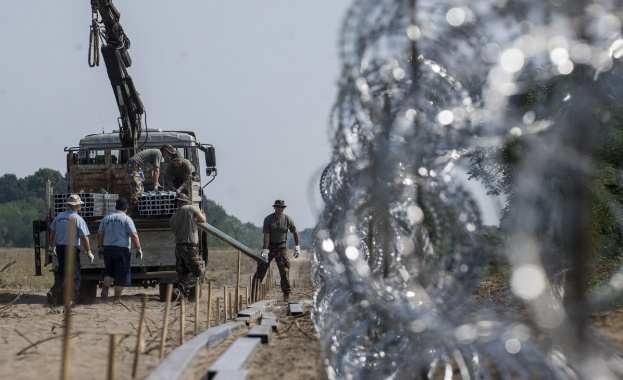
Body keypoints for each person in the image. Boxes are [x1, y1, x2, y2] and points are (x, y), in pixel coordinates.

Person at [47, 194, 94, 307]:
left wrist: (51, 246)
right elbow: (84, 237)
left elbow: (52, 232)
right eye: (79, 205)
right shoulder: (78, 219)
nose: (80, 207)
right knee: (75, 274)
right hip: (71, 249)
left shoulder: (59, 217)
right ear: (77, 206)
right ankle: (72, 300)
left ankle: (53, 291)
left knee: (64, 272)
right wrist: (88, 252)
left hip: (60, 249)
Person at [252, 199, 300, 302]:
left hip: (281, 247)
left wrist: (297, 247)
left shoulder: (288, 219)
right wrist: (265, 251)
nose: (280, 208)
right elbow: (267, 235)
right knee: (261, 269)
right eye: (278, 206)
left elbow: (295, 232)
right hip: (270, 246)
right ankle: (253, 294)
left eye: (281, 207)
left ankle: (286, 294)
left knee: (284, 271)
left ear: (284, 208)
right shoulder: (268, 219)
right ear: (274, 207)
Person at [96, 198, 142, 303]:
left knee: (109, 271)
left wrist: (100, 247)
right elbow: (133, 235)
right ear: (126, 208)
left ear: (116, 207)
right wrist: (138, 248)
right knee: (121, 273)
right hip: (121, 250)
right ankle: (117, 298)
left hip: (108, 249)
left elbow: (100, 233)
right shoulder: (126, 219)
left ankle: (105, 288)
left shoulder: (106, 218)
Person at [169, 193, 206, 301]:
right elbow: (202, 220)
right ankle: (180, 288)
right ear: (186, 201)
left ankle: (183, 299)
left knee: (183, 273)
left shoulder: (173, 217)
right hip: (190, 247)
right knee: (196, 271)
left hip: (179, 248)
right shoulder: (191, 208)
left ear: (177, 203)